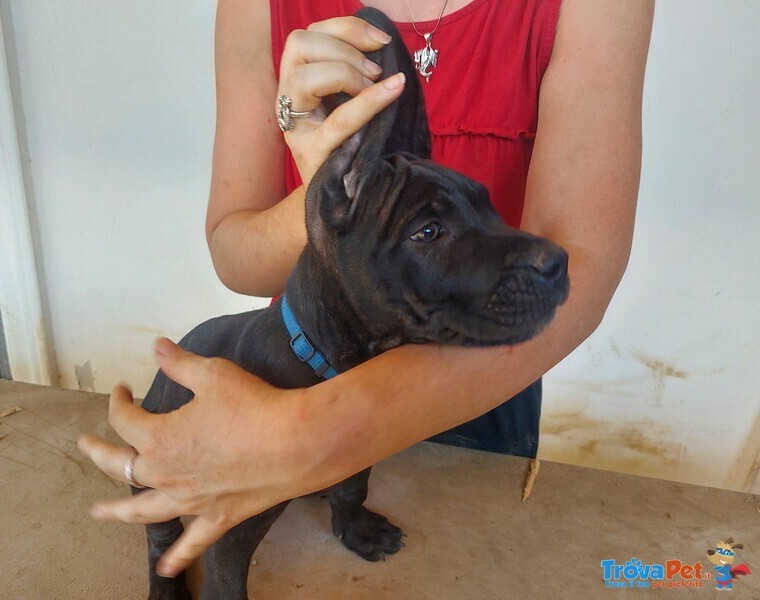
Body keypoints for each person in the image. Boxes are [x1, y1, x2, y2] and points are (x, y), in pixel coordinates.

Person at [78, 0, 654, 579]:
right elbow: (234, 254)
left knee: (475, 567)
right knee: (213, 538)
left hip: (484, 381)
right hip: (305, 357)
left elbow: (578, 264)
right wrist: (328, 193)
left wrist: (308, 434)